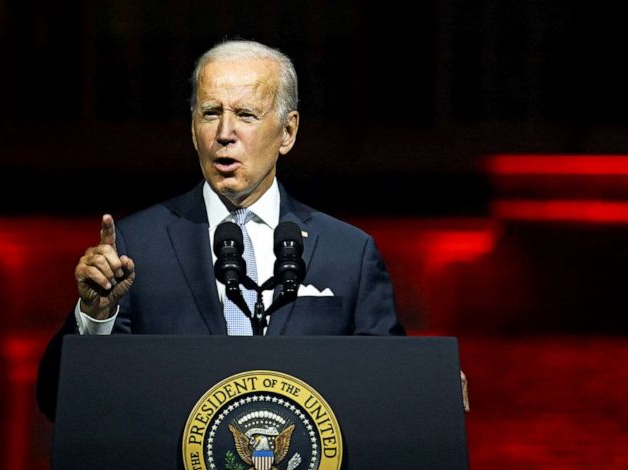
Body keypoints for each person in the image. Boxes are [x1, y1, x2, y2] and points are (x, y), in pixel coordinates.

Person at [37, 40, 405, 421]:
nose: (224, 133)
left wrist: (431, 389)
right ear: (193, 129)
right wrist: (96, 316)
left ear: (288, 132)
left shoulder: (348, 253)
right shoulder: (137, 247)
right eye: (210, 113)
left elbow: (390, 394)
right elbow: (59, 401)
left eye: (246, 115)